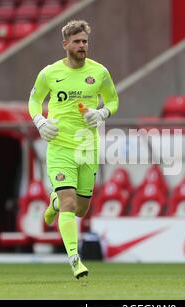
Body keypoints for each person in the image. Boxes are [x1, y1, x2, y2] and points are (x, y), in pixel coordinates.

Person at [28, 20, 119, 279]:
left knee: (80, 209)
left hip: (87, 147)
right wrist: (39, 120)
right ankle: (74, 259)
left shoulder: (99, 73)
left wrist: (101, 113)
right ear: (65, 44)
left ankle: (54, 202)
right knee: (70, 204)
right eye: (77, 41)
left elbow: (113, 100)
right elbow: (34, 100)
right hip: (59, 147)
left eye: (85, 41)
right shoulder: (49, 73)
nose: (82, 46)